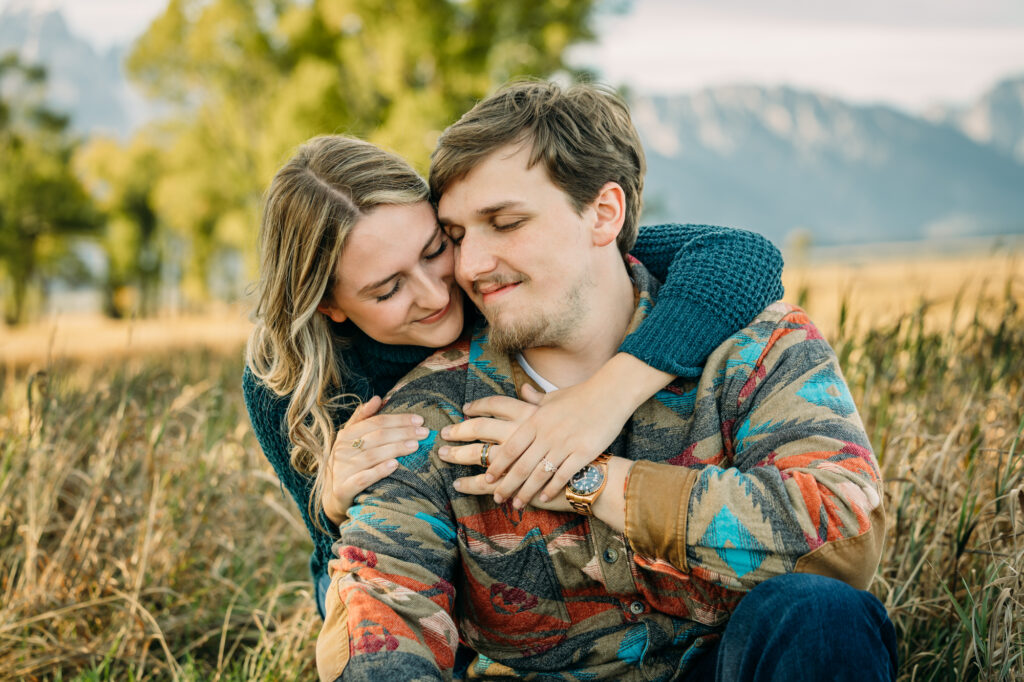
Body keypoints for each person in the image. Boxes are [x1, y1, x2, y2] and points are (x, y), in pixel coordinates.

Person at [317, 81, 896, 681]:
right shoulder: (427, 410)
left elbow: (844, 536)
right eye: (457, 236)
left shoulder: (753, 348)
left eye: (506, 222)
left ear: (603, 213)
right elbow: (384, 607)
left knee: (821, 615)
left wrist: (588, 480)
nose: (468, 267)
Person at [243, 134, 785, 622]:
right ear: (328, 307)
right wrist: (333, 509)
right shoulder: (286, 386)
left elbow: (741, 255)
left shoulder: (497, 285)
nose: (436, 295)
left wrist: (606, 397)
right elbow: (342, 578)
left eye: (436, 249)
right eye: (387, 291)